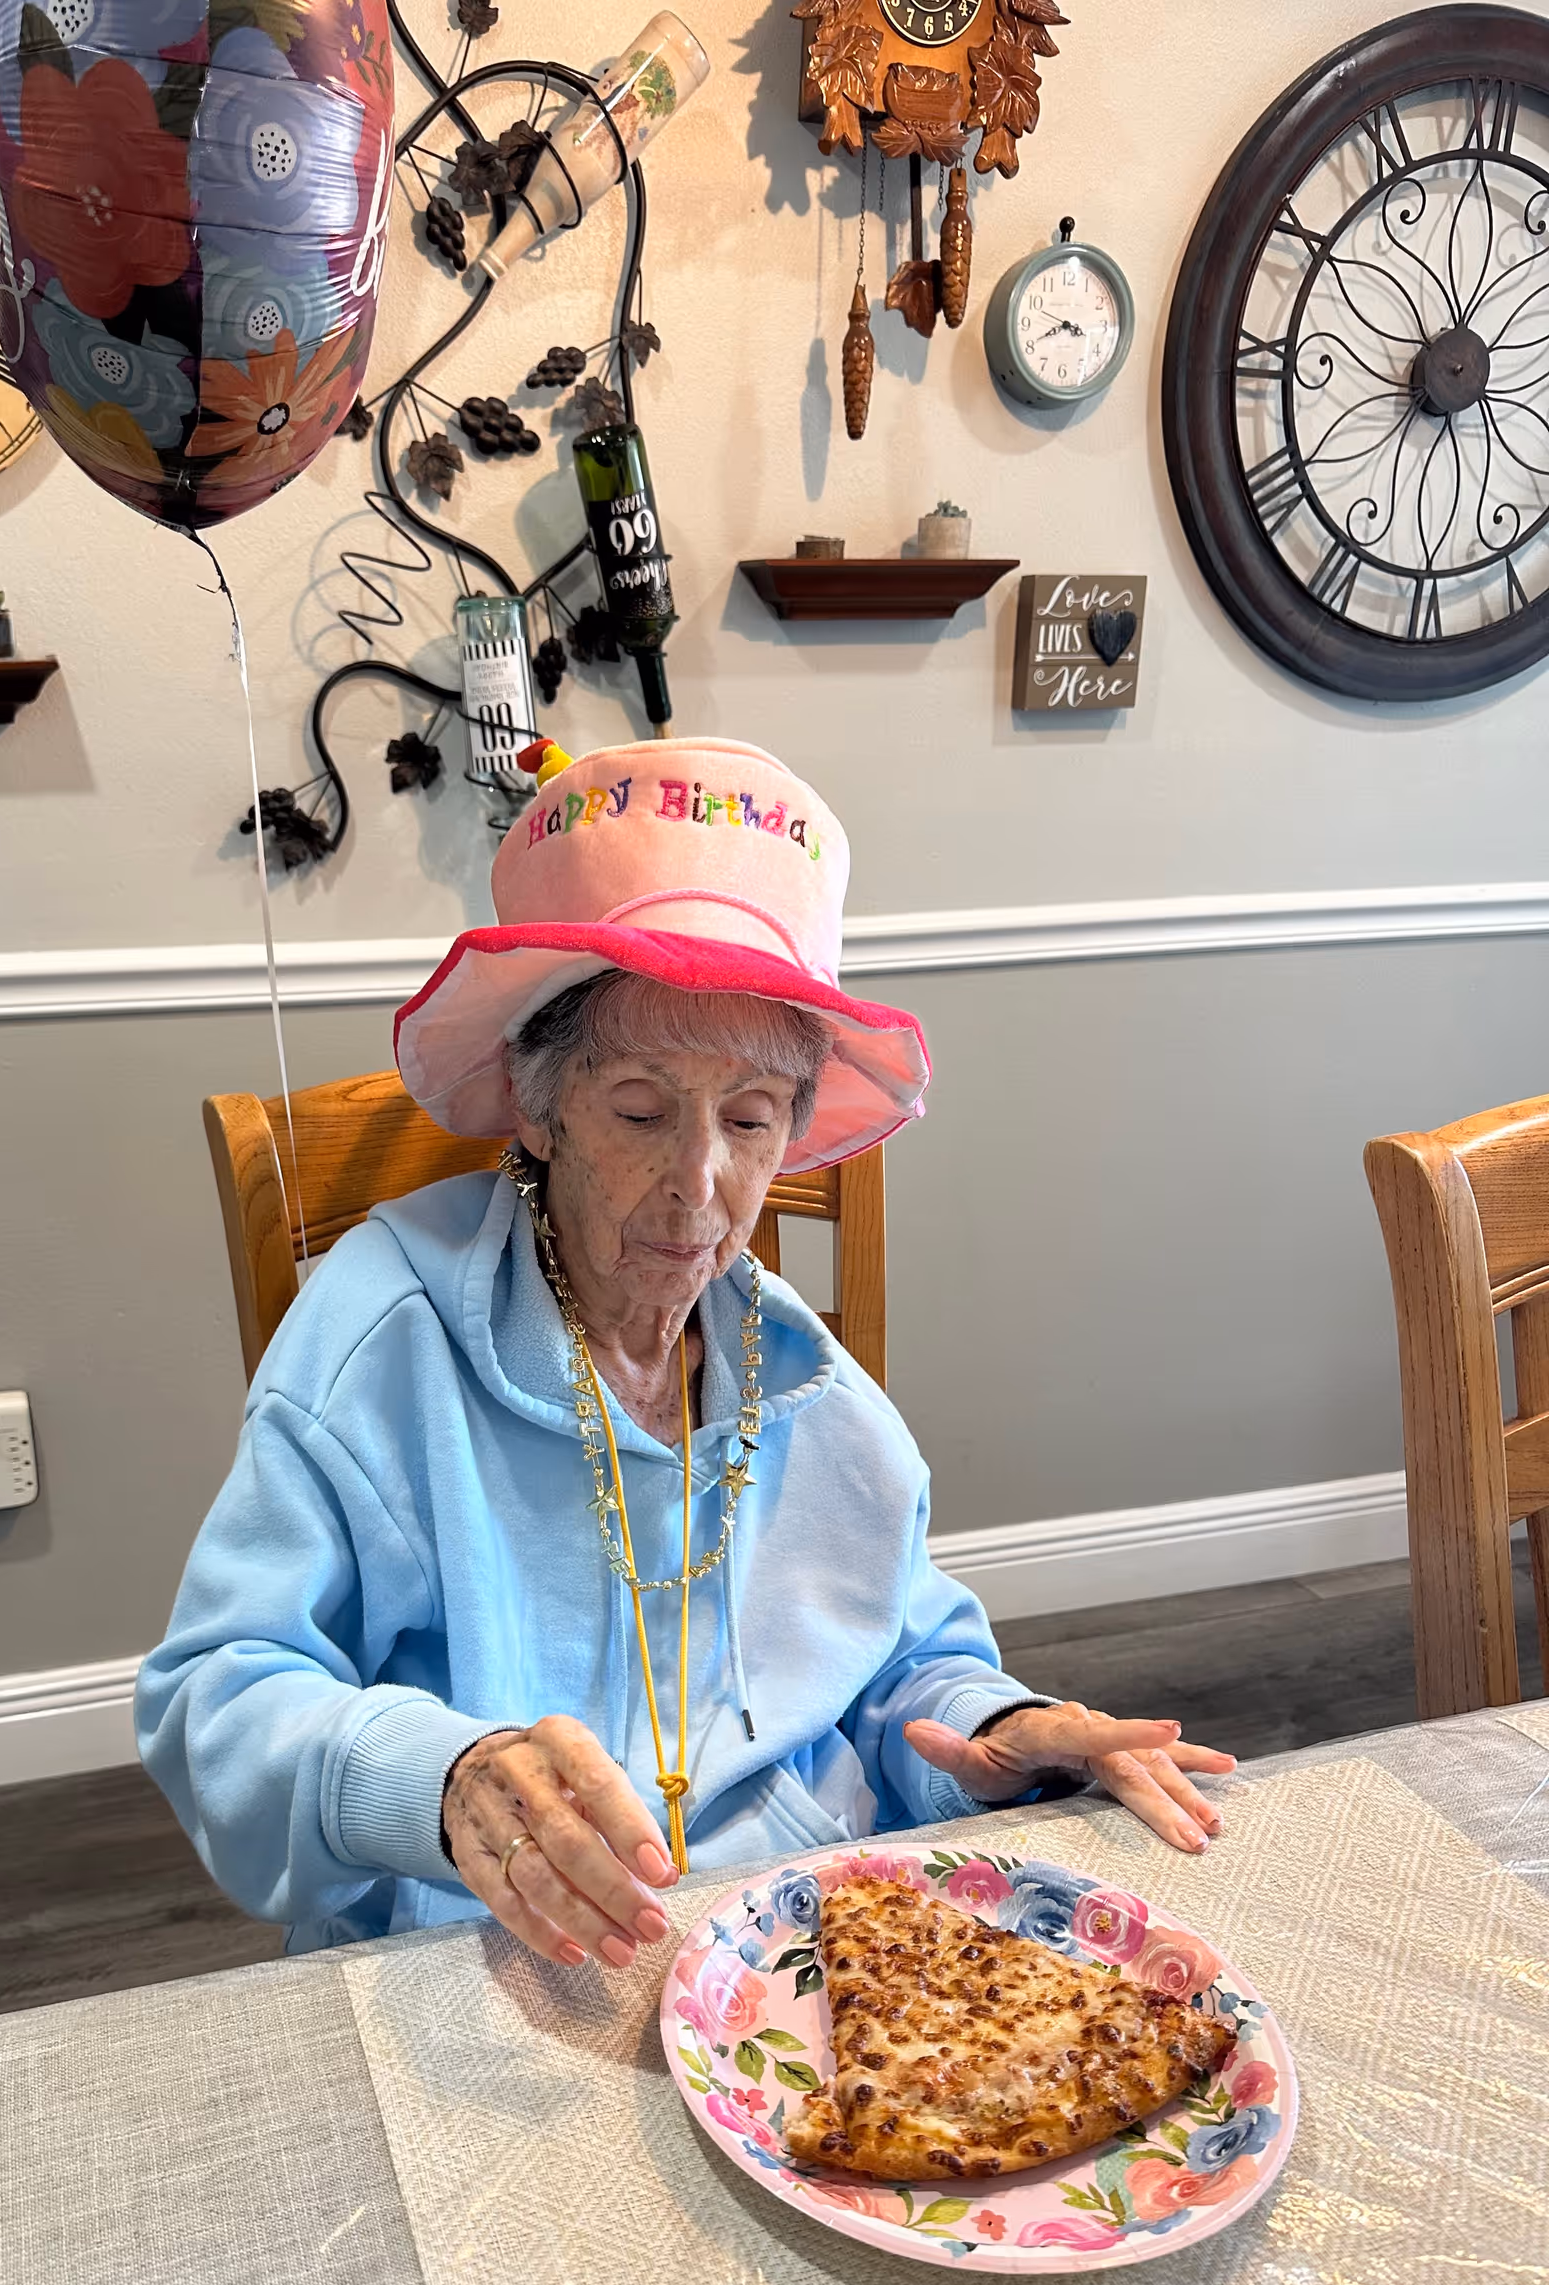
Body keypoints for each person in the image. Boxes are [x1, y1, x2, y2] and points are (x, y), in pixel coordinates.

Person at [137, 735, 1234, 1964]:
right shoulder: (385, 1335)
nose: (697, 1185)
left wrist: (994, 1727)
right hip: (505, 1943)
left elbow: (900, 1664)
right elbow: (217, 1697)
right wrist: (445, 1780)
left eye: (751, 1120)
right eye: (643, 1111)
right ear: (541, 1109)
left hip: (808, 1942)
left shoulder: (801, 1377)